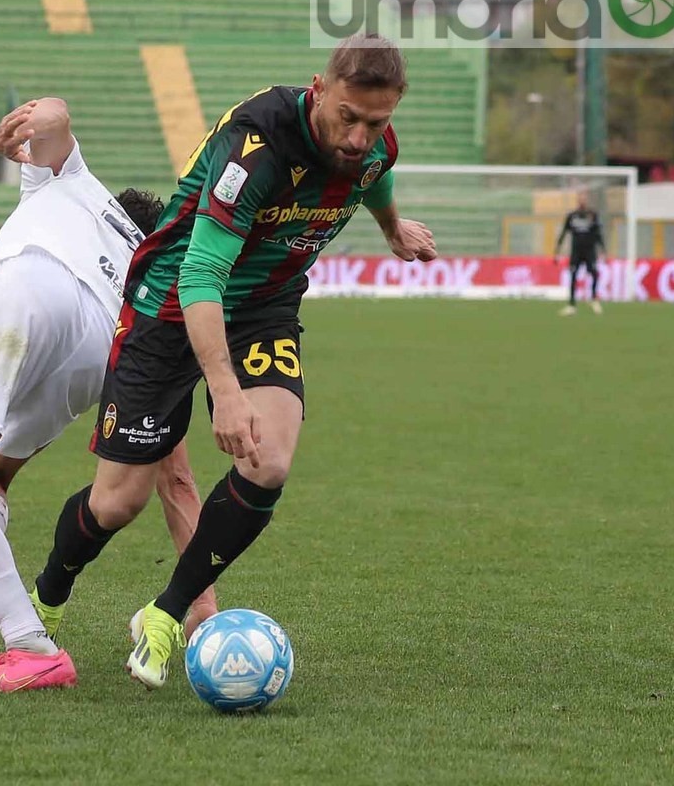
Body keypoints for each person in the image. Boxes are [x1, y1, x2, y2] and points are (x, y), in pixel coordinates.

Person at [29, 34, 438, 689]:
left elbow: (373, 171)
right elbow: (202, 275)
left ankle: (164, 616)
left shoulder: (374, 146)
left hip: (266, 306)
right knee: (117, 503)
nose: (360, 137)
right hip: (172, 304)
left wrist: (391, 227)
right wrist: (226, 388)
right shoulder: (257, 149)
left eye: (377, 122)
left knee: (268, 460)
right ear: (319, 88)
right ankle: (46, 598)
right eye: (348, 118)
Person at [0, 98, 217, 694]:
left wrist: (35, 120)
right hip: (102, 351)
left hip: (34, 288)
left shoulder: (76, 186)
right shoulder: (146, 279)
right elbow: (178, 481)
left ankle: (28, 644)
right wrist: (204, 612)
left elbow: (58, 122)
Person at [554, 191, 605, 315]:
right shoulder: (572, 216)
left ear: (587, 200)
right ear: (578, 200)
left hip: (589, 251)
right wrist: (557, 250)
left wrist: (603, 250)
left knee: (594, 273)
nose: (582, 200)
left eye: (584, 198)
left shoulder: (592, 215)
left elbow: (598, 234)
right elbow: (564, 233)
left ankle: (594, 299)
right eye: (580, 198)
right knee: (573, 275)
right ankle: (572, 305)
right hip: (576, 251)